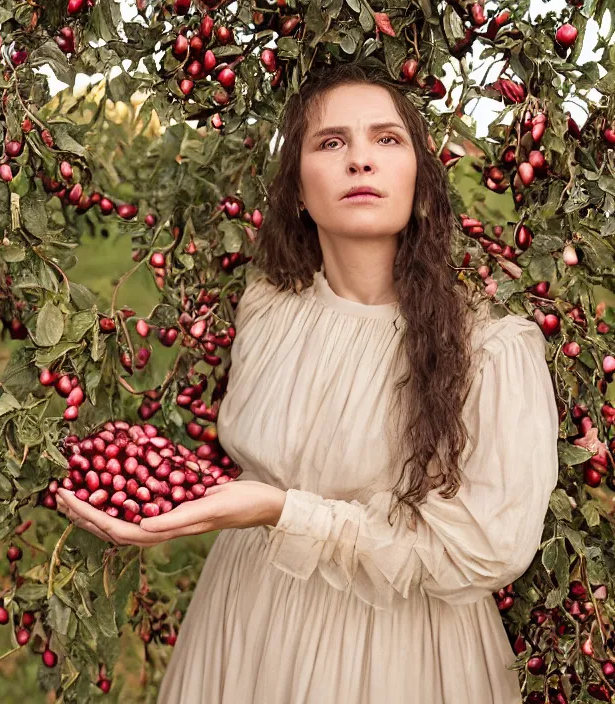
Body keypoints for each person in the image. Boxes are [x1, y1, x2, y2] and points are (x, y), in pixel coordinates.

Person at [56, 61, 560, 703]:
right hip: (248, 619)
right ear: (297, 189)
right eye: (330, 142)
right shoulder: (268, 307)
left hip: (394, 648)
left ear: (423, 184)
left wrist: (280, 510)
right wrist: (159, 486)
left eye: (387, 139)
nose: (360, 161)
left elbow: (488, 550)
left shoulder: (490, 346)